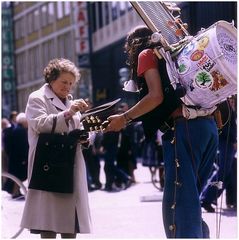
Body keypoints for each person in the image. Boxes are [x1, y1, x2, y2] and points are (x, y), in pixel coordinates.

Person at [105, 25, 218, 238]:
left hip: (183, 129)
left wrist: (125, 118)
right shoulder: (176, 50)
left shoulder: (148, 54)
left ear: (133, 45)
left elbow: (155, 96)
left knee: (179, 204)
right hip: (208, 127)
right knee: (192, 198)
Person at [20, 58, 92, 238]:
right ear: (51, 79)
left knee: (70, 222)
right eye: (64, 82)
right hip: (49, 165)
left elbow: (78, 128)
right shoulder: (37, 98)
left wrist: (85, 137)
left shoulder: (70, 101)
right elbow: (40, 124)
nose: (68, 87)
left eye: (71, 83)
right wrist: (69, 113)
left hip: (69, 164)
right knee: (48, 221)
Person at [200, 98, 237, 212]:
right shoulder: (223, 103)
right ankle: (206, 198)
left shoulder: (229, 102)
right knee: (222, 172)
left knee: (230, 171)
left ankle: (231, 200)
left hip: (227, 142)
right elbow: (223, 126)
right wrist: (233, 140)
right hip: (225, 142)